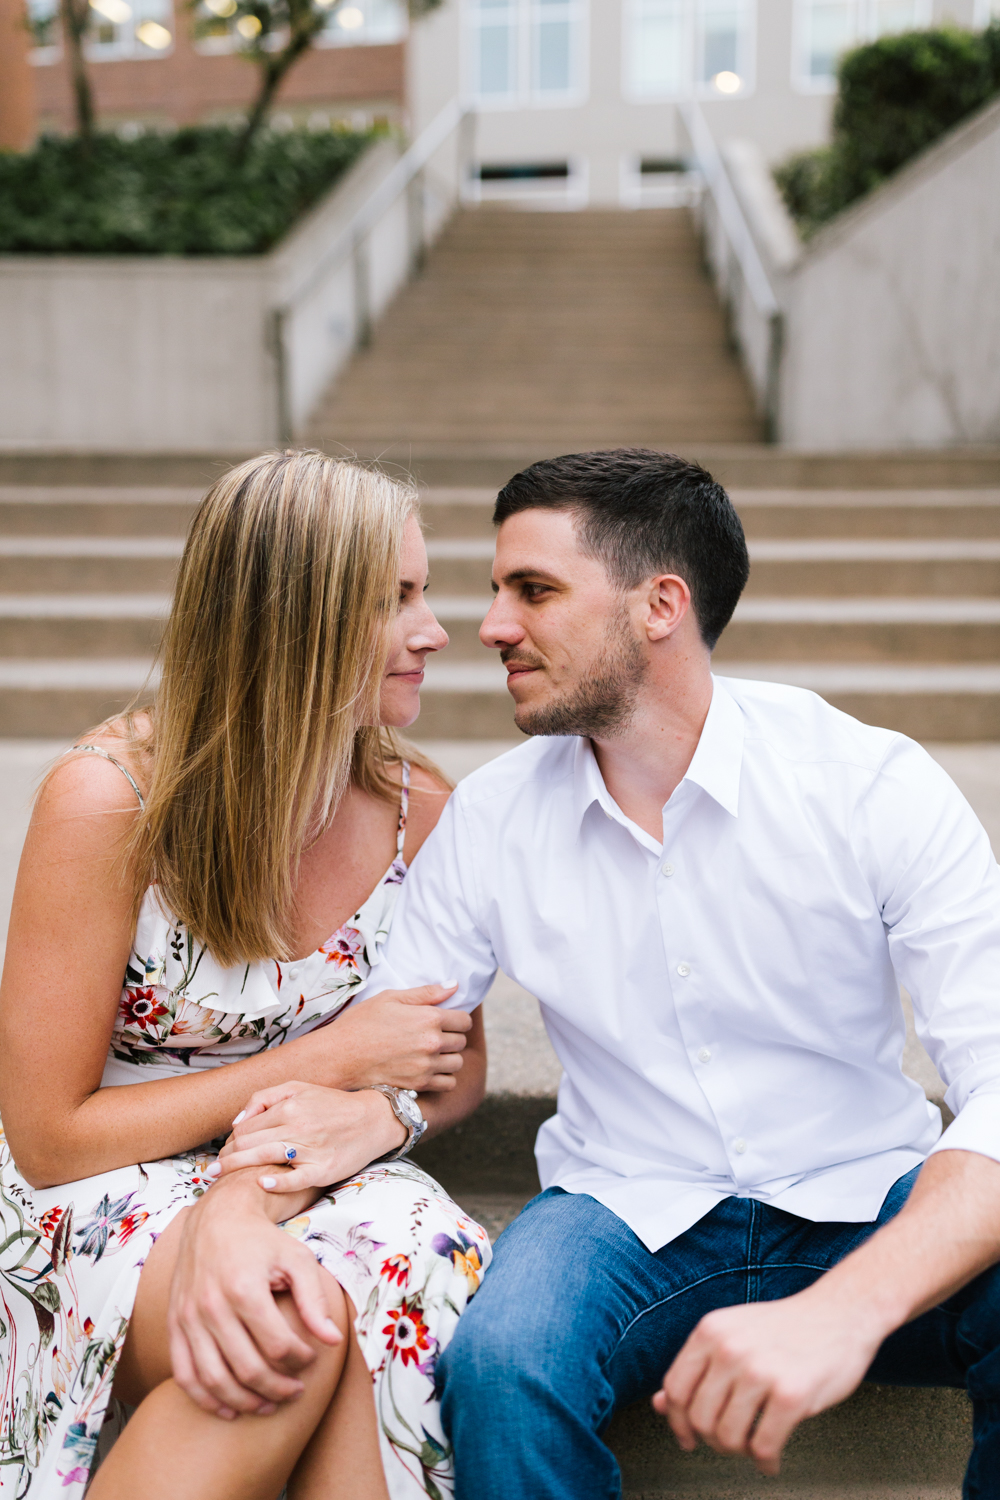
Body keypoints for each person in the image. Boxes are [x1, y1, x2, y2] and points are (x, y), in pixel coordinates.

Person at [257, 447, 1000, 1497]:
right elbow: (408, 1042)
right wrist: (373, 1113)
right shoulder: (495, 815)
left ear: (660, 605)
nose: (492, 626)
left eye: (535, 591)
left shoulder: (869, 784)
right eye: (495, 590)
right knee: (501, 1363)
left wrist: (851, 1304)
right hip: (621, 1211)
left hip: (862, 1195)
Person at [0, 450, 491, 1500]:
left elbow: (451, 1070)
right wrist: (330, 1059)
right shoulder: (109, 806)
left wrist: (364, 1120)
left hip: (318, 1171)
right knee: (296, 1328)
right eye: (396, 599)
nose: (435, 630)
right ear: (297, 619)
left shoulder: (427, 811)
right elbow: (48, 1137)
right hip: (99, 1188)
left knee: (410, 1285)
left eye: (427, 591)